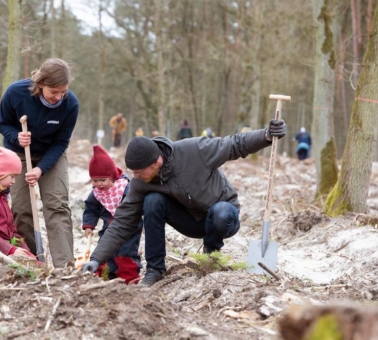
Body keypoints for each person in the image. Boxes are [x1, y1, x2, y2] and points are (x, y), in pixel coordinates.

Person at [82, 119, 287, 286]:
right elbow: (122, 222)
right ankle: (155, 270)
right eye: (131, 172)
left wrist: (266, 135)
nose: (134, 177)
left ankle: (211, 255)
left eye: (138, 171)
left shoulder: (195, 150)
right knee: (152, 201)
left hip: (222, 216)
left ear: (156, 162)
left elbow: (234, 144)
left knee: (221, 213)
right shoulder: (140, 182)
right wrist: (96, 258)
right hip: (188, 220)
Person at [0, 58, 79, 267]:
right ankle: (32, 261)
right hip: (20, 154)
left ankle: (64, 267)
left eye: (63, 91)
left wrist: (41, 169)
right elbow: (2, 123)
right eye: (54, 92)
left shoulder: (71, 104)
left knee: (57, 205)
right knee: (22, 209)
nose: (58, 97)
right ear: (41, 83)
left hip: (52, 155)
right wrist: (17, 137)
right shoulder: (16, 93)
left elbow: (61, 143)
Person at [81, 145, 143, 284]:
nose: (99, 184)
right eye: (95, 180)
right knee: (105, 252)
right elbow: (91, 209)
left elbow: (136, 207)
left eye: (103, 180)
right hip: (107, 229)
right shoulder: (96, 193)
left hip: (129, 231)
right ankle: (104, 275)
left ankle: (130, 279)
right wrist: (89, 225)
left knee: (126, 254)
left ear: (112, 177)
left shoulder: (126, 188)